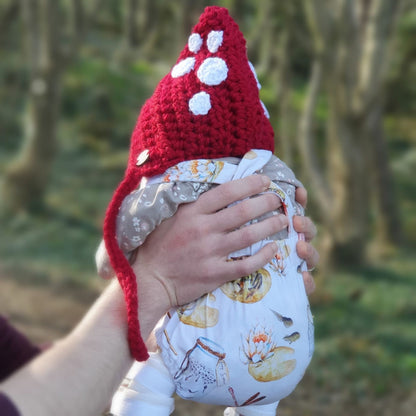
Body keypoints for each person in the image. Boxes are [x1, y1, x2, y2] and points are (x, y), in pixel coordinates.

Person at [97, 6, 315, 416]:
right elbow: (300, 247)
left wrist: (113, 255)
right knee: (262, 396)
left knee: (144, 377)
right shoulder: (283, 182)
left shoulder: (181, 182)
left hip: (193, 349)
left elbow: (125, 232)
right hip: (284, 357)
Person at [0, 175, 318, 416]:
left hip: (216, 346)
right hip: (277, 368)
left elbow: (34, 377)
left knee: (143, 388)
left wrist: (281, 275)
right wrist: (155, 280)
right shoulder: (275, 176)